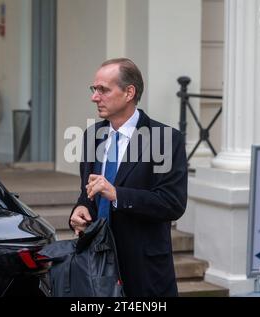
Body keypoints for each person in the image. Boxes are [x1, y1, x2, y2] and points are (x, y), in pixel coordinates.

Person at [69, 58, 188, 297]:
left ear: (129, 92)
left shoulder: (164, 138)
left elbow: (172, 203)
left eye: (103, 90)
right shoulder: (93, 136)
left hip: (143, 272)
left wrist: (117, 195)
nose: (95, 97)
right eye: (94, 90)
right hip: (97, 267)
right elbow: (88, 192)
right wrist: (80, 208)